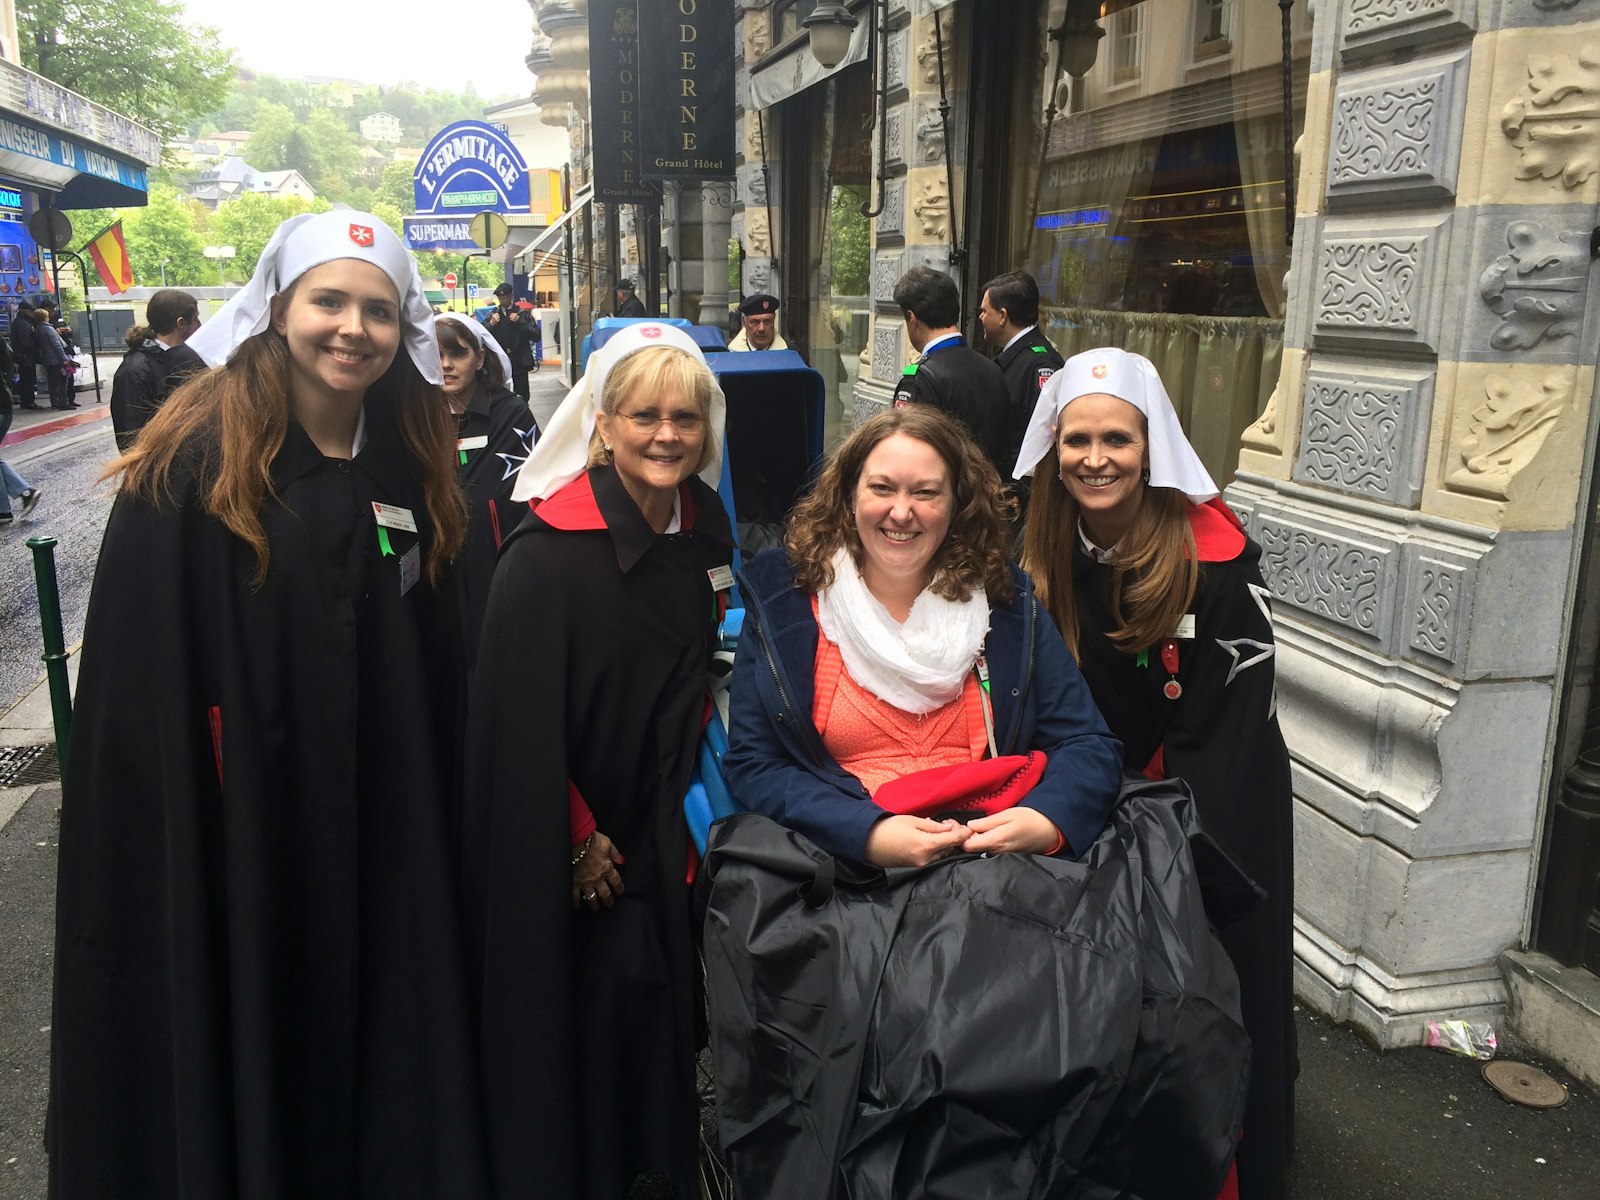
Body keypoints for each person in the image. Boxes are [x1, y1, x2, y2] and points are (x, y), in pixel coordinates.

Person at [48, 211, 489, 1196]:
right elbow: (141, 690)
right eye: (329, 301)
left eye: (377, 310)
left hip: (383, 839)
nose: (352, 328)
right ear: (279, 309)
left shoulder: (408, 468)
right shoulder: (190, 469)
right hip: (241, 839)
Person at [1016, 346, 1296, 1200]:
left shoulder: (1215, 566)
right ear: (1052, 451)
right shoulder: (1045, 550)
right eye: (1076, 441)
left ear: (1153, 448)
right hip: (1092, 804)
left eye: (1117, 440)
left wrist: (1138, 823)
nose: (1095, 459)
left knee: (1209, 987)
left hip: (1205, 811)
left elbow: (1224, 731)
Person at [461, 322, 733, 1200]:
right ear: (603, 426)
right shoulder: (544, 559)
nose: (667, 435)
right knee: (590, 1039)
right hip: (592, 848)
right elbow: (510, 724)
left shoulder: (707, 529)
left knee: (664, 1037)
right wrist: (573, 840)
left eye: (685, 418)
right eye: (645, 416)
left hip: (671, 833)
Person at [724, 403, 1122, 867]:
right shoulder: (786, 598)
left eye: (926, 492)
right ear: (849, 494)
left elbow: (1088, 743)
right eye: (882, 488)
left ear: (957, 503)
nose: (901, 511)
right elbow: (755, 765)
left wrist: (1046, 819)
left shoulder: (1004, 601)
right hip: (846, 874)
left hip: (990, 867)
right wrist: (865, 833)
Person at [434, 310, 538, 665]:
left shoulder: (511, 413)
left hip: (490, 566)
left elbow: (523, 494)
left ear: (479, 357)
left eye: (458, 354)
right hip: (435, 567)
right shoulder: (417, 413)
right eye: (436, 355)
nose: (446, 365)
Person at [889, 265, 1008, 475]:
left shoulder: (919, 379)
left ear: (912, 318)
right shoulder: (993, 368)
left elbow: (905, 454)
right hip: (988, 496)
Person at [977, 269, 1064, 510]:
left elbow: (1042, 438)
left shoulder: (1040, 364)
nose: (981, 317)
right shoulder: (1014, 357)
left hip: (1022, 500)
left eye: (985, 311)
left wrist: (1016, 490)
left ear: (1003, 316)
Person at [109, 288, 207, 450]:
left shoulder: (183, 358)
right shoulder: (134, 370)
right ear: (181, 323)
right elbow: (130, 439)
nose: (199, 325)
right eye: (196, 319)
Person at [484, 282, 535, 400]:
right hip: (499, 361)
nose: (503, 301)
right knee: (500, 393)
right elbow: (482, 335)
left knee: (522, 394)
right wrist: (491, 324)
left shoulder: (522, 313)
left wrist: (520, 322)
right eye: (500, 298)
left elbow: (536, 335)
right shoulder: (493, 314)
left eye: (505, 297)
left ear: (511, 296)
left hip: (519, 361)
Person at [32, 306, 75, 409]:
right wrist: (64, 359)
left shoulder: (38, 329)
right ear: (45, 317)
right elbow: (56, 345)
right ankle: (63, 403)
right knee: (62, 381)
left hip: (47, 359)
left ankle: (54, 402)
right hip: (56, 359)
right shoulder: (48, 329)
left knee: (52, 382)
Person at [10, 304, 40, 409]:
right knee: (28, 379)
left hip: (23, 355)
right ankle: (28, 401)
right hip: (25, 355)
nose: (33, 313)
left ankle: (27, 401)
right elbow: (25, 342)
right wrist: (35, 350)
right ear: (25, 311)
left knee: (27, 378)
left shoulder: (21, 322)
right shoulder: (23, 323)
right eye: (31, 311)